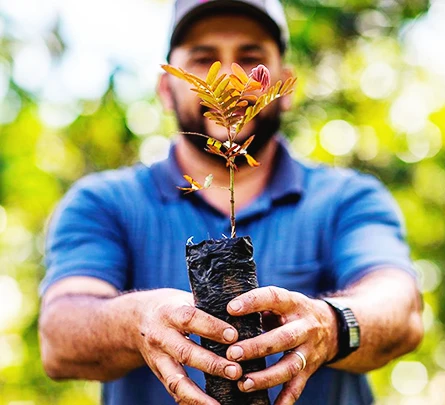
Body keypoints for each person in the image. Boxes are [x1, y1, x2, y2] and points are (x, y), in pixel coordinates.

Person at [37, 0, 424, 404]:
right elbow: (59, 336)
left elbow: (402, 310)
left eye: (250, 58)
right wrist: (137, 320)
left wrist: (331, 324)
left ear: (285, 85)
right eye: (204, 60)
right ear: (165, 89)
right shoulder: (105, 202)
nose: (229, 79)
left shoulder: (347, 198)